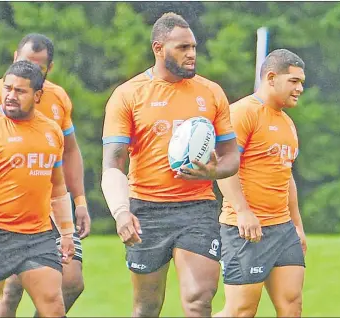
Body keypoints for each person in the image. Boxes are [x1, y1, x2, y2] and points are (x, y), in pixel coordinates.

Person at [101, 12, 240, 317]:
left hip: (197, 207)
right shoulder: (128, 95)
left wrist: (214, 171)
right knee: (147, 307)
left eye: (193, 47)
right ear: (158, 48)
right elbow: (112, 165)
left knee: (199, 299)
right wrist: (121, 211)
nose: (191, 54)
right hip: (146, 210)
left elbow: (232, 156)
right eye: (182, 48)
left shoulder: (211, 92)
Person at [0, 33, 88, 316]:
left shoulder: (57, 99)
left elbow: (69, 152)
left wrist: (79, 202)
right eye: (24, 62)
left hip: (49, 211)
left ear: (49, 70)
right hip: (2, 217)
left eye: (39, 67)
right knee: (7, 293)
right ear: (14, 59)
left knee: (72, 281)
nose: (30, 71)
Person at [214, 49, 307, 317]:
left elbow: (286, 175)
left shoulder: (288, 123)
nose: (300, 88)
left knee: (292, 307)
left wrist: (297, 226)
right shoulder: (242, 113)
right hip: (244, 230)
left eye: (302, 82)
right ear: (271, 77)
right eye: (294, 81)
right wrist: (243, 212)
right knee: (241, 311)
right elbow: (225, 169)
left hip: (282, 229)